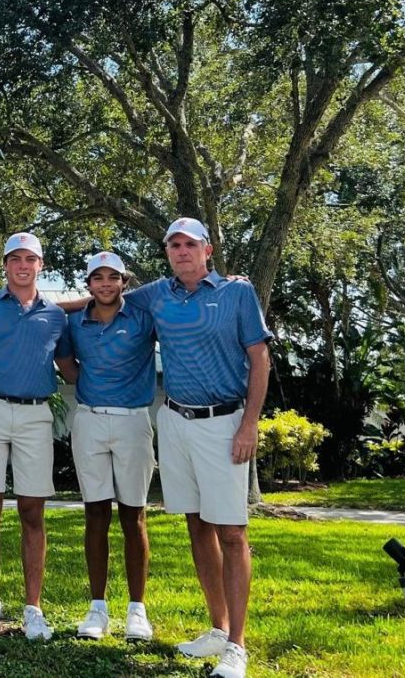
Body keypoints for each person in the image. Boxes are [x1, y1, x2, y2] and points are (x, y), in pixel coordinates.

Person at [113, 218, 270, 678]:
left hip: (225, 424)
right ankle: (218, 629)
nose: (181, 251)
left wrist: (249, 425)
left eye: (189, 244)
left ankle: (237, 646)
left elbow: (259, 358)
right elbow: (102, 298)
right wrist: (37, 303)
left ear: (208, 250)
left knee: (233, 532)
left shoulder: (237, 293)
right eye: (173, 245)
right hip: (175, 420)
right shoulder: (158, 293)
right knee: (197, 525)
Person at [0, 232, 69, 641]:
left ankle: (33, 608)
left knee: (32, 513)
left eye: (30, 259)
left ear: (41, 265)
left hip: (36, 415)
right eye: (15, 258)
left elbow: (70, 367)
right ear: (4, 264)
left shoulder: (56, 316)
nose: (22, 265)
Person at [57, 251, 156, 642]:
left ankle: (137, 611)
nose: (105, 284)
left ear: (123, 282)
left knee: (134, 516)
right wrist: (91, 386)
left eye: (112, 277)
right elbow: (66, 364)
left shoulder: (143, 317)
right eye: (97, 278)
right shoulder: (74, 324)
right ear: (88, 285)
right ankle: (97, 608)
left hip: (133, 420)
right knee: (95, 514)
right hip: (90, 419)